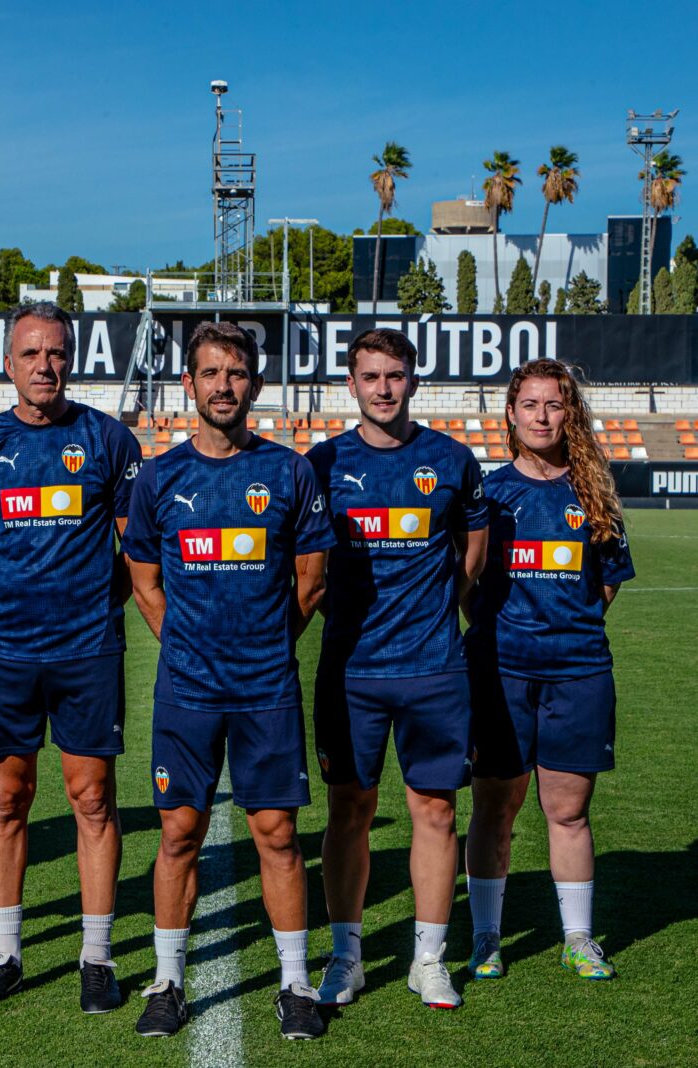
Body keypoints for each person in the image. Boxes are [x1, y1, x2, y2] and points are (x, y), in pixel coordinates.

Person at [122, 321, 335, 1040]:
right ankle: (168, 980)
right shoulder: (159, 477)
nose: (223, 386)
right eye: (210, 373)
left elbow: (310, 582)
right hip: (187, 687)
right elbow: (145, 581)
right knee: (179, 830)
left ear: (256, 385)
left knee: (276, 832)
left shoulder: (289, 472)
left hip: (266, 686)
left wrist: (265, 646)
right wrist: (184, 644)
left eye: (236, 373)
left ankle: (296, 982)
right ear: (188, 384)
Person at [0, 302, 141, 1014]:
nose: (44, 366)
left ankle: (96, 956)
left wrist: (90, 602)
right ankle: (6, 953)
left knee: (92, 799)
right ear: (8, 364)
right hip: (5, 652)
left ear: (73, 358)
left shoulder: (107, 439)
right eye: (30, 353)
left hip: (88, 650)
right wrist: (20, 603)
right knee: (6, 799)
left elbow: (135, 551)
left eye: (56, 352)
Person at [307, 327, 488, 1011]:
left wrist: (439, 611)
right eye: (371, 376)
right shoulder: (321, 464)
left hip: (434, 668)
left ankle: (429, 959)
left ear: (413, 379)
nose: (384, 388)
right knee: (349, 810)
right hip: (350, 671)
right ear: (351, 385)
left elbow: (472, 551)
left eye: (395, 375)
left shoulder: (451, 459)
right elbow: (309, 570)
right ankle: (346, 957)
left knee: (436, 812)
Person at [463, 359, 634, 982]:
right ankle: (486, 937)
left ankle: (578, 938)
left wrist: (567, 630)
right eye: (530, 405)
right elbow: (466, 583)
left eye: (554, 405)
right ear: (510, 414)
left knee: (568, 811)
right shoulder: (488, 493)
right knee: (495, 807)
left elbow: (605, 587)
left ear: (570, 414)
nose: (541, 416)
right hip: (500, 671)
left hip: (579, 670)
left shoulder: (593, 495)